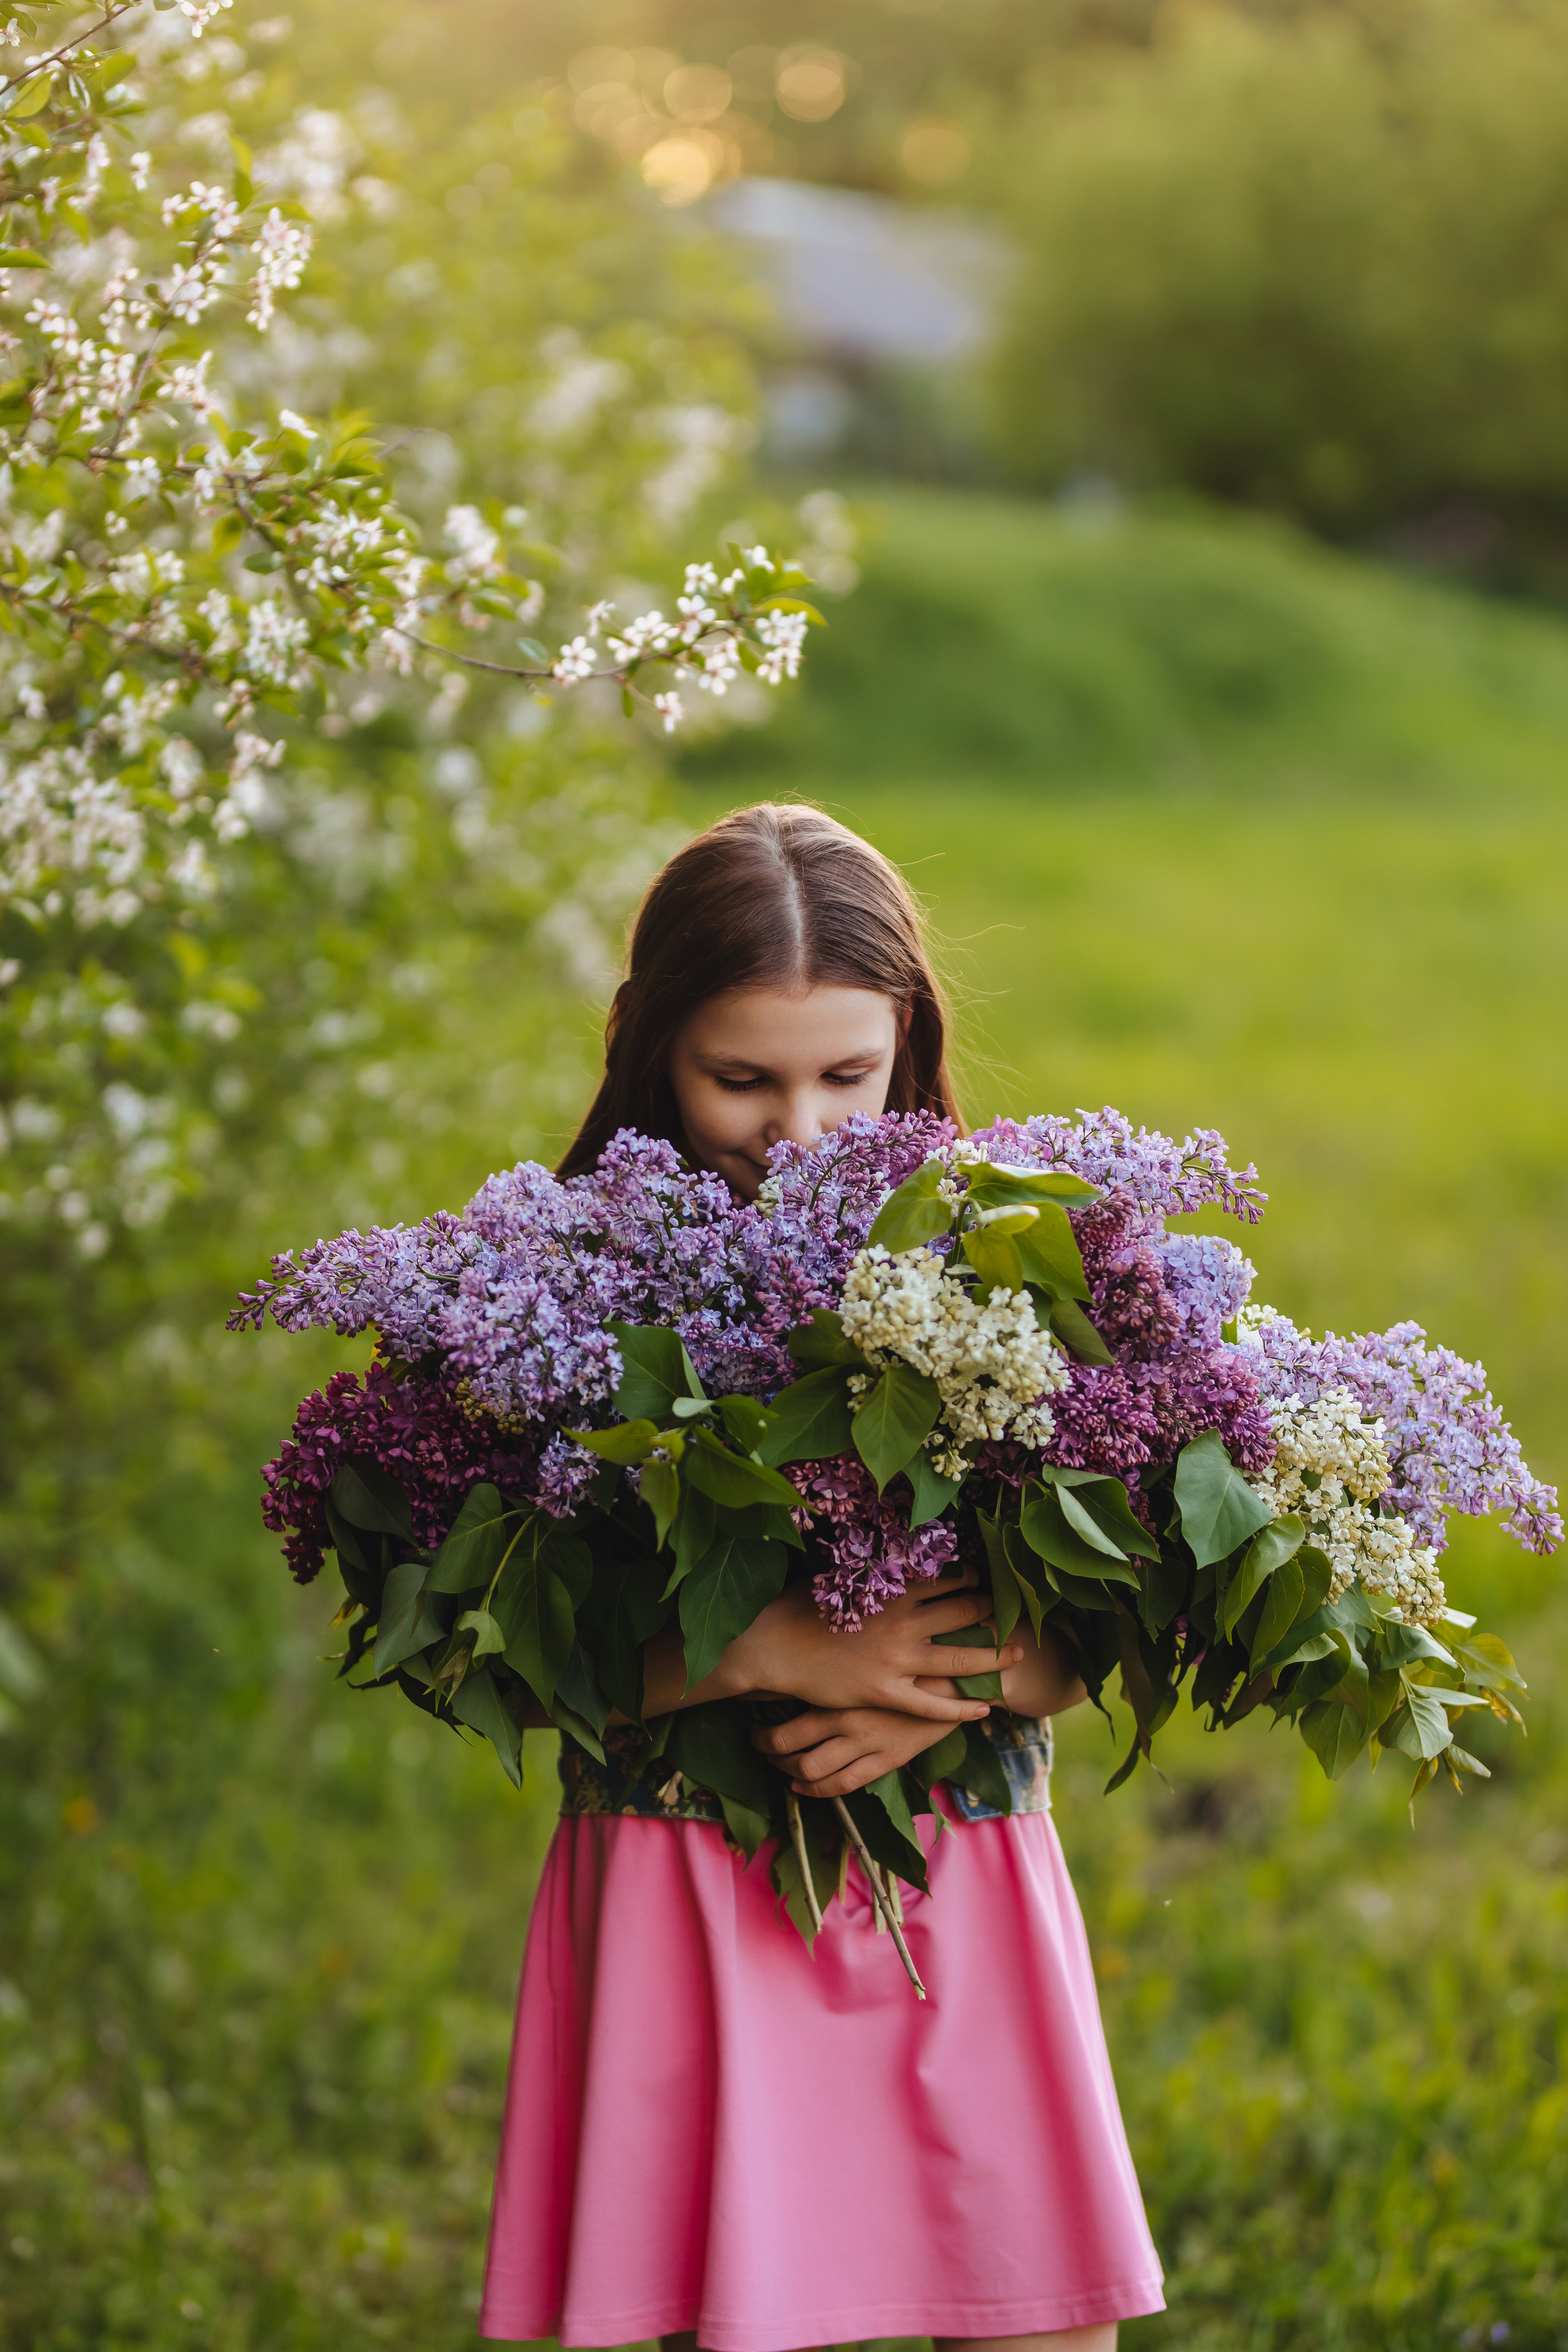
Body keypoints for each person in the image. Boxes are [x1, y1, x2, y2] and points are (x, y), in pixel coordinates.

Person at [478, 804, 1165, 2352]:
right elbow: (504, 1660)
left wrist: (938, 1681)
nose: (797, 1129)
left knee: (1032, 2311)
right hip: (679, 1893)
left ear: (907, 1042)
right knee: (715, 2306)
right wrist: (764, 1648)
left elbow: (1110, 1624)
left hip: (962, 1873)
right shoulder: (552, 1288)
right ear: (650, 1047)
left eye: (846, 1076)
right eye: (740, 1079)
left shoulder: (1010, 1259)